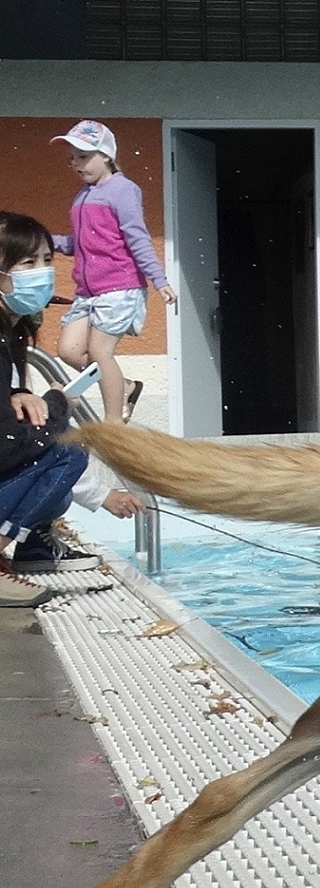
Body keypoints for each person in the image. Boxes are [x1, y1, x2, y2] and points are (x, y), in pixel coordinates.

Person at [0, 211, 139, 608]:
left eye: (46, 259)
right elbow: (10, 445)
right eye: (26, 263)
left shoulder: (10, 331)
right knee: (64, 454)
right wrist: (58, 404)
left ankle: (34, 547)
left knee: (56, 464)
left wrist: (20, 393)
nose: (41, 271)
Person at [49, 120, 176, 424]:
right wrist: (44, 239)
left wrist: (159, 280)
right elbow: (78, 244)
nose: (76, 164)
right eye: (72, 158)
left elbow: (137, 238)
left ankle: (113, 422)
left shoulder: (123, 190)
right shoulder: (81, 197)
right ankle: (127, 387)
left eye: (83, 156)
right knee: (68, 350)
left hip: (120, 287)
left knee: (100, 353)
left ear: (105, 155)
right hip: (88, 292)